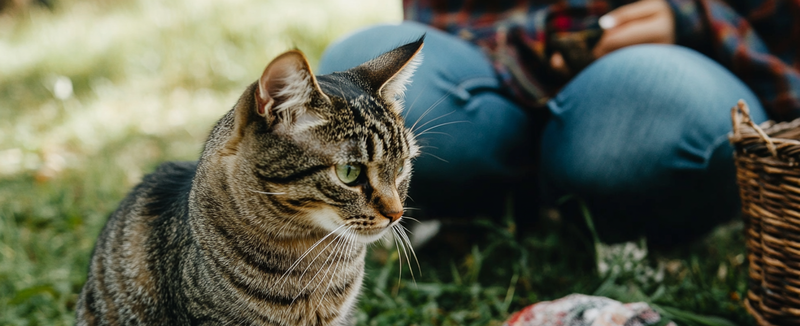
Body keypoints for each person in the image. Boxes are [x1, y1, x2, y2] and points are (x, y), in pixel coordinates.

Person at [319, 0, 800, 245]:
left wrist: (696, 17)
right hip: (489, 66)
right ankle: (510, 196)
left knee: (662, 102)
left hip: (661, 64)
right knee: (355, 66)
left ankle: (593, 197)